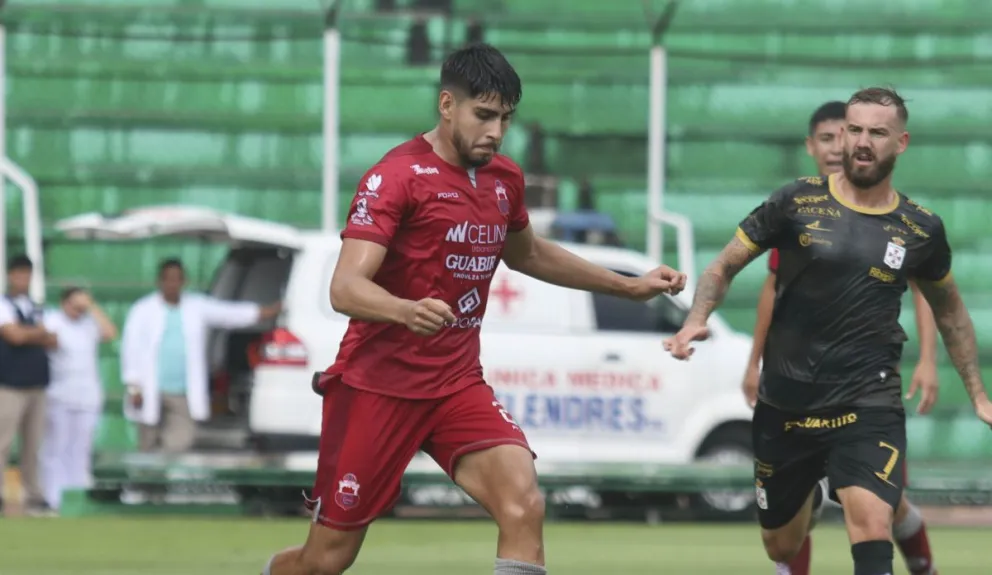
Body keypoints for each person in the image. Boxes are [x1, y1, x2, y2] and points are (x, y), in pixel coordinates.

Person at [262, 43, 686, 575]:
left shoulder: (504, 179)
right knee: (326, 561)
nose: (496, 131)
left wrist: (627, 286)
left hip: (456, 385)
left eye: (505, 118)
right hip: (378, 387)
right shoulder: (395, 177)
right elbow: (345, 288)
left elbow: (529, 253)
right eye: (484, 115)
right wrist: (405, 310)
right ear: (446, 105)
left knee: (523, 503)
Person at [664, 87, 992, 575]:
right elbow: (724, 266)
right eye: (853, 130)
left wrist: (978, 393)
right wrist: (696, 319)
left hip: (867, 400)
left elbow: (950, 312)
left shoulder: (920, 228)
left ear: (900, 143)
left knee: (871, 523)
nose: (861, 142)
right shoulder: (795, 201)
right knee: (781, 545)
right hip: (787, 402)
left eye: (876, 133)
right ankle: (807, 499)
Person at [741, 101, 941, 575]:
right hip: (799, 391)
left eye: (845, 137)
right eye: (828, 139)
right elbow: (773, 289)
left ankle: (923, 565)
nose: (839, 148)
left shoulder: (897, 219)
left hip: (863, 392)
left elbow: (930, 290)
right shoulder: (798, 212)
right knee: (792, 520)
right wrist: (755, 362)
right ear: (811, 147)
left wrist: (928, 358)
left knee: (885, 508)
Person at [121, 258, 282, 453]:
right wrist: (134, 387)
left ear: (183, 281)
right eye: (168, 279)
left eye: (177, 279)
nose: (173, 284)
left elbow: (229, 314)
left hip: (182, 392)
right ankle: (147, 482)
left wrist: (267, 312)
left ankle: (164, 477)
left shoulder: (195, 306)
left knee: (180, 443)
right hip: (149, 389)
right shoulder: (142, 310)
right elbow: (131, 349)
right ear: (160, 281)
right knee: (147, 444)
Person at [40, 287, 117, 512]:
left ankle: (78, 496)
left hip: (88, 396)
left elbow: (110, 332)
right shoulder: (52, 319)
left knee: (81, 449)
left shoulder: (89, 323)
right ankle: (53, 497)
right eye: (73, 305)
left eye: (80, 305)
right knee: (56, 448)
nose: (77, 310)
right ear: (63, 303)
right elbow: (46, 339)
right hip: (59, 393)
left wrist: (91, 306)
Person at [0, 254, 58, 516]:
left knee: (33, 445)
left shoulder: (36, 307)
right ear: (11, 276)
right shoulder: (4, 304)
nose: (23, 279)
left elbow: (53, 339)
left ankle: (34, 494)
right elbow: (14, 336)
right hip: (10, 384)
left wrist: (31, 334)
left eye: (27, 274)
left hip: (36, 383)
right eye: (19, 274)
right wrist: (38, 333)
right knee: (3, 442)